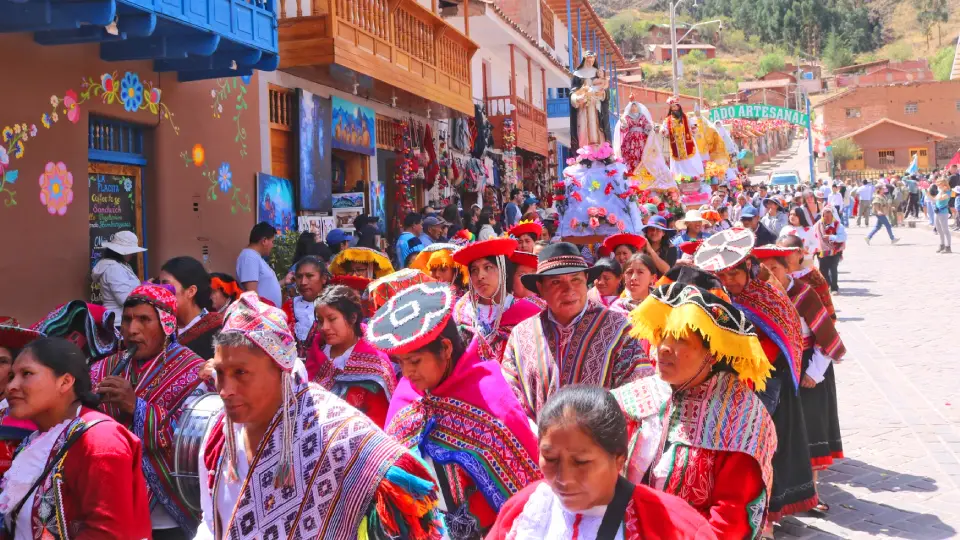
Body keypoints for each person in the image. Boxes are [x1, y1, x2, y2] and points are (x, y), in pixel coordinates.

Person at [194, 292, 443, 539]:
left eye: (241, 372)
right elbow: (210, 522)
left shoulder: (341, 435)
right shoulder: (219, 435)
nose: (225, 390)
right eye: (220, 373)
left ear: (281, 370)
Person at [613, 268, 777, 539]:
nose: (663, 347)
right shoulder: (640, 396)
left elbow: (731, 521)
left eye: (679, 339)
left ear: (711, 354)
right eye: (663, 335)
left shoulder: (742, 420)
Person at [367, 282, 540, 538]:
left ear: (446, 349)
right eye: (401, 362)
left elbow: (523, 493)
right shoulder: (407, 395)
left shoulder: (489, 398)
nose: (408, 372)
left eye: (415, 361)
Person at [693, 230, 816, 528]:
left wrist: (744, 363)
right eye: (723, 275)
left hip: (765, 383)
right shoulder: (724, 297)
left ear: (748, 266)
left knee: (756, 450)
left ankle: (765, 521)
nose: (729, 280)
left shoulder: (767, 296)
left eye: (734, 272)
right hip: (733, 383)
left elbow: (778, 344)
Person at [488, 385, 715, 539]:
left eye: (581, 462)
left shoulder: (671, 525)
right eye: (550, 458)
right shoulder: (526, 510)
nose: (563, 478)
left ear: (619, 460)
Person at [89, 283, 209, 537]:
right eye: (127, 320)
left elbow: (192, 440)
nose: (132, 330)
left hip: (166, 515)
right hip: (109, 506)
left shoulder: (194, 371)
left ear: (166, 324)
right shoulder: (102, 369)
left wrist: (137, 407)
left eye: (144, 320)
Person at [0, 338, 152, 538]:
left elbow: (108, 534)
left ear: (65, 381)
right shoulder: (32, 443)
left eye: (26, 374)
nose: (11, 386)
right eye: (11, 376)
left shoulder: (100, 439)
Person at [501, 243, 653, 419]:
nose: (569, 290)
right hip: (536, 443)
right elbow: (509, 396)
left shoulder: (617, 329)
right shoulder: (522, 335)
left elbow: (642, 388)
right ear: (541, 288)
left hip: (599, 442)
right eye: (556, 282)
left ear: (586, 282)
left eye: (576, 279)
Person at [757, 246, 846, 514]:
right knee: (785, 434)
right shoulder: (762, 297)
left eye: (776, 268)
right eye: (766, 270)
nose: (771, 274)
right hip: (778, 371)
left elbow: (826, 336)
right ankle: (783, 494)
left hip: (808, 367)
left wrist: (814, 371)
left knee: (810, 431)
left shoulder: (804, 294)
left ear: (788, 269)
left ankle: (812, 494)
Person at [304, 285, 396, 427]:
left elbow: (379, 418)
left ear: (353, 318)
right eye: (321, 321)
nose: (324, 327)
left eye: (332, 319)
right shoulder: (316, 354)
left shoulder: (375, 363)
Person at [451, 237, 542, 363]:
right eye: (474, 270)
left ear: (503, 270)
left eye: (488, 267)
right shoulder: (461, 312)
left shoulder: (529, 312)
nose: (480, 276)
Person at [157, 256, 222, 360]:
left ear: (191, 291)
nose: (160, 292)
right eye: (158, 286)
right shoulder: (162, 329)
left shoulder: (219, 330)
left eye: (166, 286)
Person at [91, 231, 146, 324]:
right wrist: (144, 290)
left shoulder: (121, 265)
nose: (132, 254)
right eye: (130, 251)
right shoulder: (113, 268)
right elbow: (124, 299)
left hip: (122, 318)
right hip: (117, 321)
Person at [280, 256, 329, 355]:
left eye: (310, 276)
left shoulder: (333, 306)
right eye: (299, 277)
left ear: (323, 278)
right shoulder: (289, 306)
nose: (303, 282)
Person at [236, 222, 281, 307]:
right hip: (263, 317)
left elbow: (264, 285)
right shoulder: (249, 257)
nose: (273, 245)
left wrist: (284, 281)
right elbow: (251, 293)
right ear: (264, 241)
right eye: (272, 241)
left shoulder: (255, 257)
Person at [660, 98, 703, 178]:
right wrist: (663, 130)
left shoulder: (686, 117)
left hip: (687, 143)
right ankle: (680, 178)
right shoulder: (668, 120)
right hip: (675, 145)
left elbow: (693, 125)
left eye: (675, 106)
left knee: (691, 161)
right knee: (678, 164)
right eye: (672, 107)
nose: (674, 108)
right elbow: (664, 128)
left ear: (679, 106)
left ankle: (694, 177)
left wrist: (694, 127)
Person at [329, 246, 394, 280]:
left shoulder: (381, 292)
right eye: (350, 270)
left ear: (370, 269)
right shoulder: (342, 293)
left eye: (359, 270)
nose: (354, 275)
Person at [934, 178, 953, 253]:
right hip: (937, 212)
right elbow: (934, 199)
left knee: (945, 230)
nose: (938, 185)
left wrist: (941, 191)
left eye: (939, 184)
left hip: (943, 212)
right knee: (939, 229)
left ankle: (948, 247)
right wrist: (926, 192)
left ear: (944, 184)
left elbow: (939, 198)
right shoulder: (940, 191)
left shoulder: (947, 192)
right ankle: (942, 245)